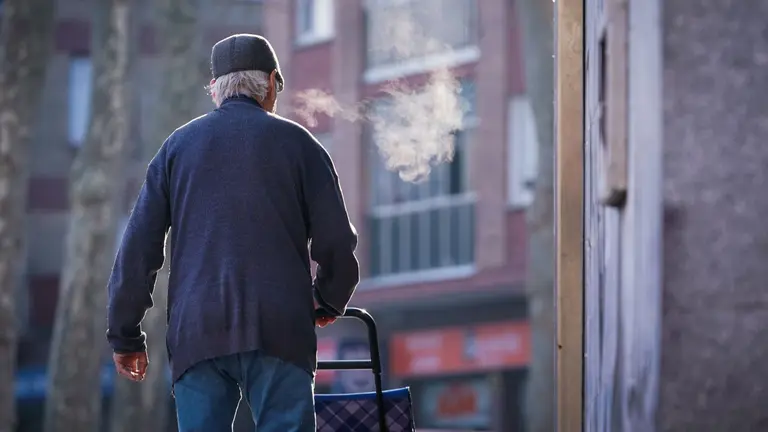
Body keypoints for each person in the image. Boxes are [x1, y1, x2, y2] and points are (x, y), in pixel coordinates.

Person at [105, 34, 359, 432]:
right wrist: (327, 298)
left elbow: (139, 248)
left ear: (215, 90)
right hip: (280, 328)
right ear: (273, 82)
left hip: (198, 332)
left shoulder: (176, 149)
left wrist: (126, 336)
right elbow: (338, 243)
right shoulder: (301, 145)